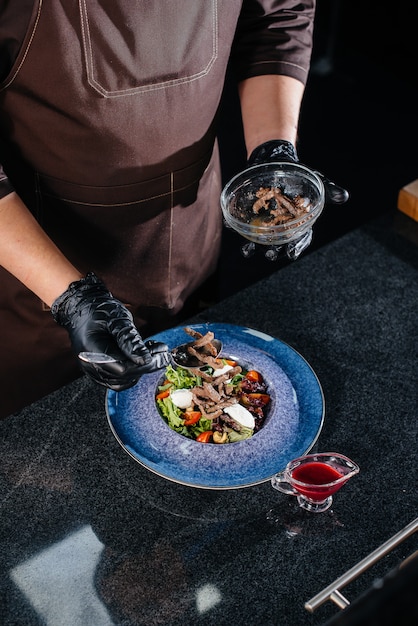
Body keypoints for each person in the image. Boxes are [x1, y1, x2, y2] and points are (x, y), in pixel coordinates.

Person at [0, 1, 347, 418]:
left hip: (189, 236)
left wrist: (274, 148)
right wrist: (70, 299)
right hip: (36, 286)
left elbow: (276, 17)